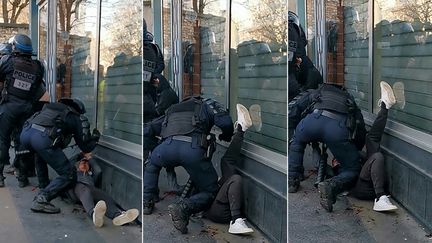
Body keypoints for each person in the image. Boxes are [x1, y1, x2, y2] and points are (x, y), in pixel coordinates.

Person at [143, 96, 234, 234]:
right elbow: (226, 122)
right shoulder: (206, 104)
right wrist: (226, 136)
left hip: (166, 147)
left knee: (152, 164)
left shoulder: (172, 109)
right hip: (192, 151)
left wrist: (155, 148)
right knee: (211, 190)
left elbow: (148, 129)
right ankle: (184, 207)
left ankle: (147, 200)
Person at [288, 80, 366, 213]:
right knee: (353, 169)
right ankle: (330, 186)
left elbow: (295, 109)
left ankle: (292, 179)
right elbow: (360, 127)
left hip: (313, 121)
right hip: (337, 129)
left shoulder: (317, 92)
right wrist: (353, 149)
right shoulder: (348, 98)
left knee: (297, 142)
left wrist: (294, 131)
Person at [20, 98, 100, 214]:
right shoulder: (74, 116)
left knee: (40, 156)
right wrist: (95, 138)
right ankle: (42, 199)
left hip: (25, 134)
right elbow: (85, 146)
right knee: (69, 174)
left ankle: (44, 187)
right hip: (42, 138)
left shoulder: (48, 109)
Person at [0, 34, 48, 187]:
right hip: (27, 109)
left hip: (9, 107)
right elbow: (39, 88)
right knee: (23, 143)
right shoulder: (38, 66)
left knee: (2, 141)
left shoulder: (7, 61)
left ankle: (0, 177)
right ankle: (22, 177)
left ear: (15, 47)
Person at [204, 104, 254, 235]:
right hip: (216, 211)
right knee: (235, 179)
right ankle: (236, 221)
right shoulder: (194, 164)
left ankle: (241, 128)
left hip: (216, 197)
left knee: (226, 161)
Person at [349, 81, 398, 211]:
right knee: (377, 156)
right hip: (362, 188)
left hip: (368, 175)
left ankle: (385, 106)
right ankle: (380, 198)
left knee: (371, 139)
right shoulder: (337, 158)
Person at [69, 153, 139, 227]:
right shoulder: (73, 173)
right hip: (78, 189)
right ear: (77, 166)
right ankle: (93, 215)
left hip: (91, 190)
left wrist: (89, 158)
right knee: (84, 190)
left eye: (87, 164)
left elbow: (98, 170)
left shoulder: (90, 175)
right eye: (82, 163)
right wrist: (80, 154)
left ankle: (118, 216)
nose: (85, 165)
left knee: (105, 197)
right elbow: (68, 164)